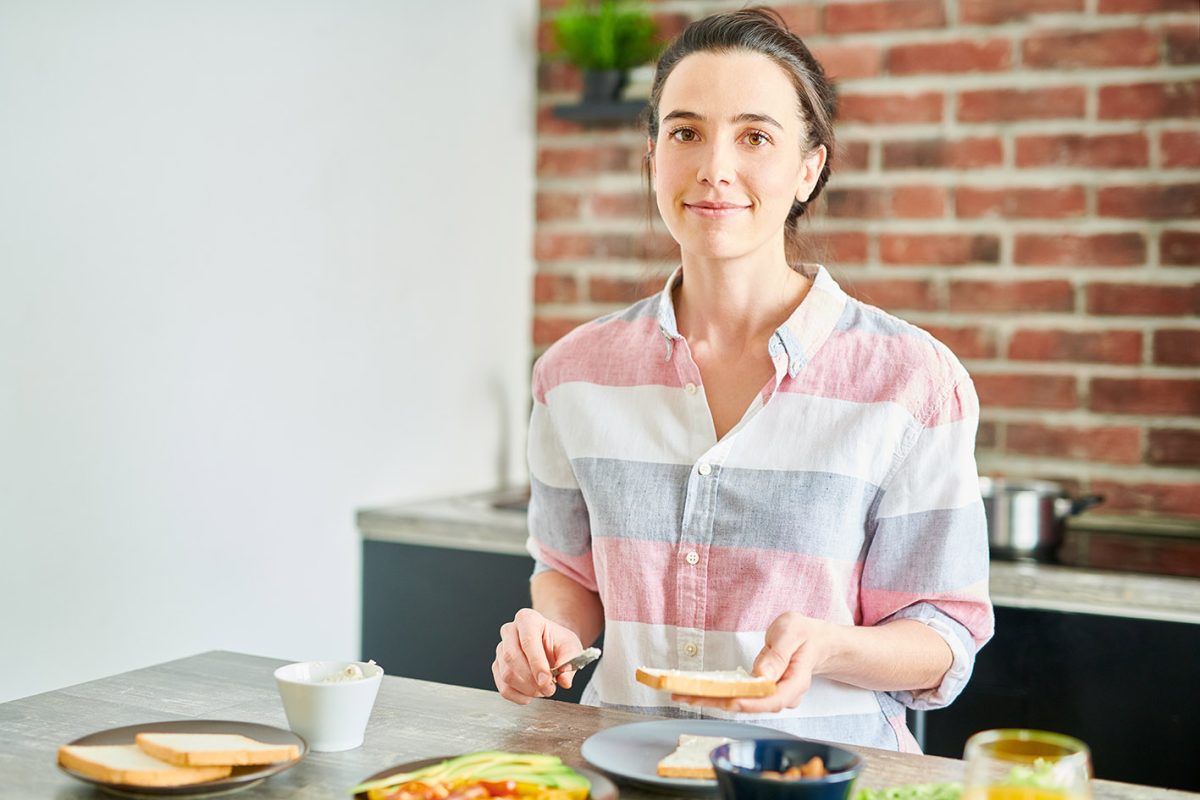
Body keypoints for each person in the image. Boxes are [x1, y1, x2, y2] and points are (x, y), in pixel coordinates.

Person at [492, 8, 993, 752]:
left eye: (755, 136)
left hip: (825, 775)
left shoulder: (912, 380)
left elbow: (944, 630)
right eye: (686, 132)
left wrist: (830, 648)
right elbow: (570, 573)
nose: (713, 168)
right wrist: (548, 637)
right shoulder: (572, 375)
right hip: (623, 767)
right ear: (652, 155)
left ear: (808, 167)